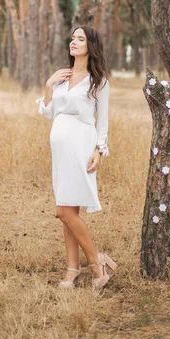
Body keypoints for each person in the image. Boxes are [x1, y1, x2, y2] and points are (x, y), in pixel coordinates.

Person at [37, 25, 116, 291]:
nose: (73, 41)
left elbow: (102, 121)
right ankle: (72, 270)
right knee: (67, 210)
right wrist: (49, 84)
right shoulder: (62, 77)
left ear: (90, 46)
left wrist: (99, 150)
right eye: (72, 37)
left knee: (64, 211)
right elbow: (48, 113)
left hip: (81, 145)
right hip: (59, 148)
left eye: (80, 39)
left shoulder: (99, 81)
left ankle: (97, 265)